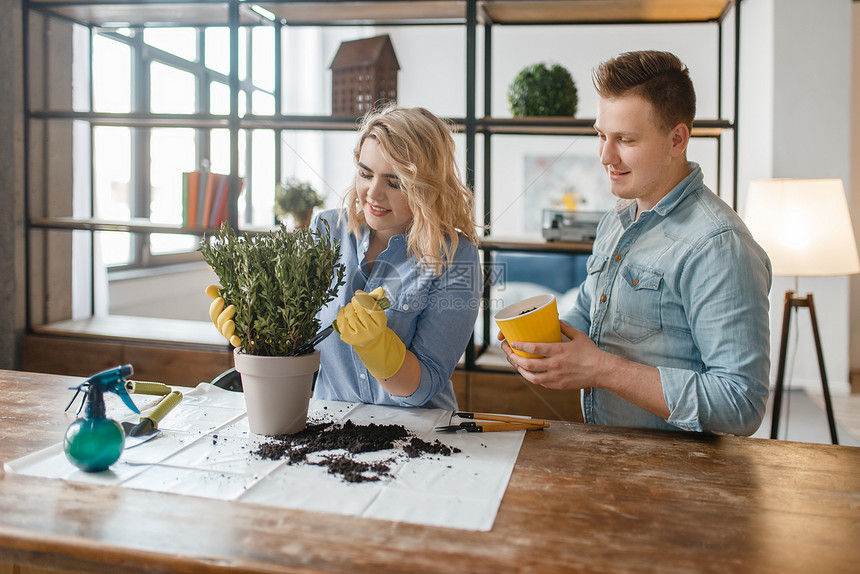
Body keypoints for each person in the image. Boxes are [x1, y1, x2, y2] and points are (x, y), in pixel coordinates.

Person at [500, 50, 772, 436]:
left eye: (625, 140)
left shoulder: (719, 245)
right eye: (601, 136)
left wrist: (600, 369)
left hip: (681, 479)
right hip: (614, 458)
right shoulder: (617, 218)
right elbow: (589, 315)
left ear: (677, 139)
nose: (605, 156)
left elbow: (740, 404)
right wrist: (542, 349)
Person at [211, 104, 481, 410]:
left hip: (421, 435)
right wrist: (253, 327)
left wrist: (378, 348)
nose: (373, 193)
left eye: (395, 183)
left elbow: (426, 384)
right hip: (330, 424)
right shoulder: (328, 231)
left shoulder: (456, 257)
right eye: (366, 174)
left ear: (427, 188)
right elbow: (297, 336)